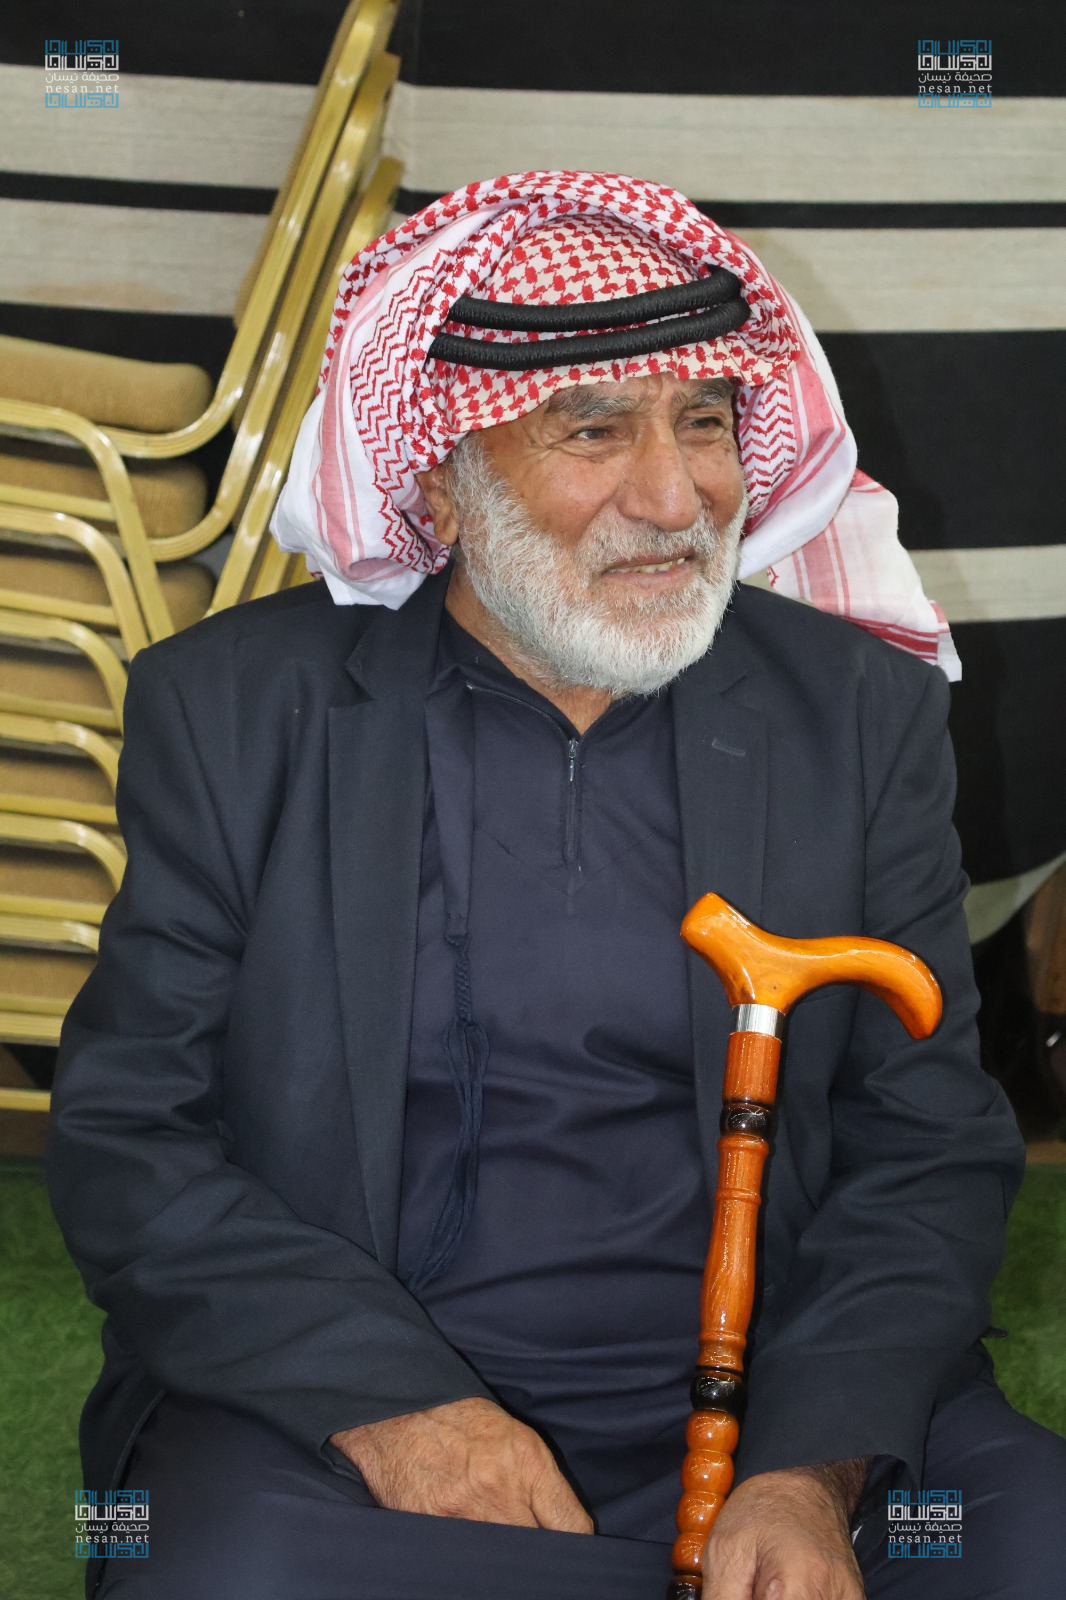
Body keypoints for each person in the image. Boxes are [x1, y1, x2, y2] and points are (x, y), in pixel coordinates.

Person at [48, 172, 1066, 1600]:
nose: (676, 496)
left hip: (779, 1392)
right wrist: (399, 1411)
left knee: (1030, 1547)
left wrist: (810, 1469)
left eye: (702, 422)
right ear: (439, 476)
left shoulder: (851, 715)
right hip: (349, 1408)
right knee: (223, 1578)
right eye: (592, 430)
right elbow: (129, 1134)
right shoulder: (240, 713)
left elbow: (930, 1138)